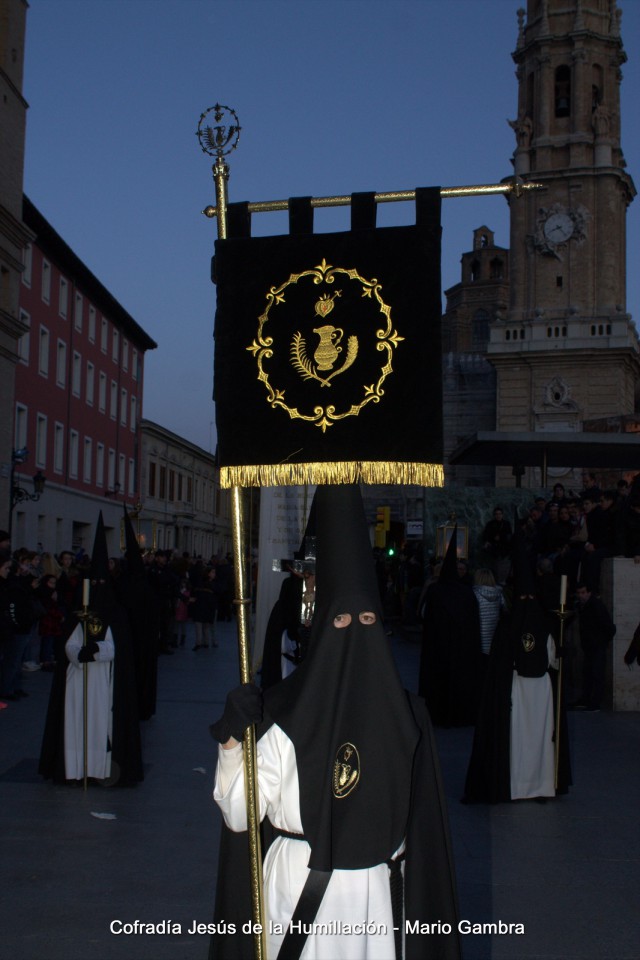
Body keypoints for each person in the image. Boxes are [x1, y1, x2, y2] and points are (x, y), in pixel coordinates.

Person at [210, 485, 461, 960]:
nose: (355, 632)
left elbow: (427, 831)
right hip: (298, 885)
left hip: (378, 897)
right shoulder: (280, 712)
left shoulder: (409, 717)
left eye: (367, 619)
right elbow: (241, 814)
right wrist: (230, 741)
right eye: (342, 621)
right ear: (323, 627)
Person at [463, 525, 571, 803]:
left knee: (536, 740)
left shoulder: (517, 625)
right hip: (524, 690)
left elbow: (554, 659)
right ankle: (527, 785)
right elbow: (553, 661)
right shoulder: (532, 625)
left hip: (531, 690)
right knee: (526, 740)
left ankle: (538, 785)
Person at [39, 513, 143, 786]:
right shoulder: (78, 615)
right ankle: (75, 768)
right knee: (76, 725)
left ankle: (99, 768)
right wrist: (77, 654)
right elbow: (69, 644)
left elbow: (115, 647)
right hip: (77, 681)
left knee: (100, 727)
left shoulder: (116, 615)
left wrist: (95, 650)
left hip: (103, 683)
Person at [418, 528, 483, 726]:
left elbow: (425, 617)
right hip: (463, 649)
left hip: (439, 648)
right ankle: (463, 714)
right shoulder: (467, 593)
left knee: (440, 682)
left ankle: (438, 714)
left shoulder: (436, 592)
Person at [574, 582, 616, 712]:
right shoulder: (585, 606)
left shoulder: (595, 606)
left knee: (597, 674)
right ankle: (586, 699)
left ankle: (595, 703)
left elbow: (609, 627)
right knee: (588, 673)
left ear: (589, 593)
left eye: (583, 593)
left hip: (596, 646)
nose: (581, 596)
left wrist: (601, 641)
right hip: (590, 646)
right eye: (579, 593)